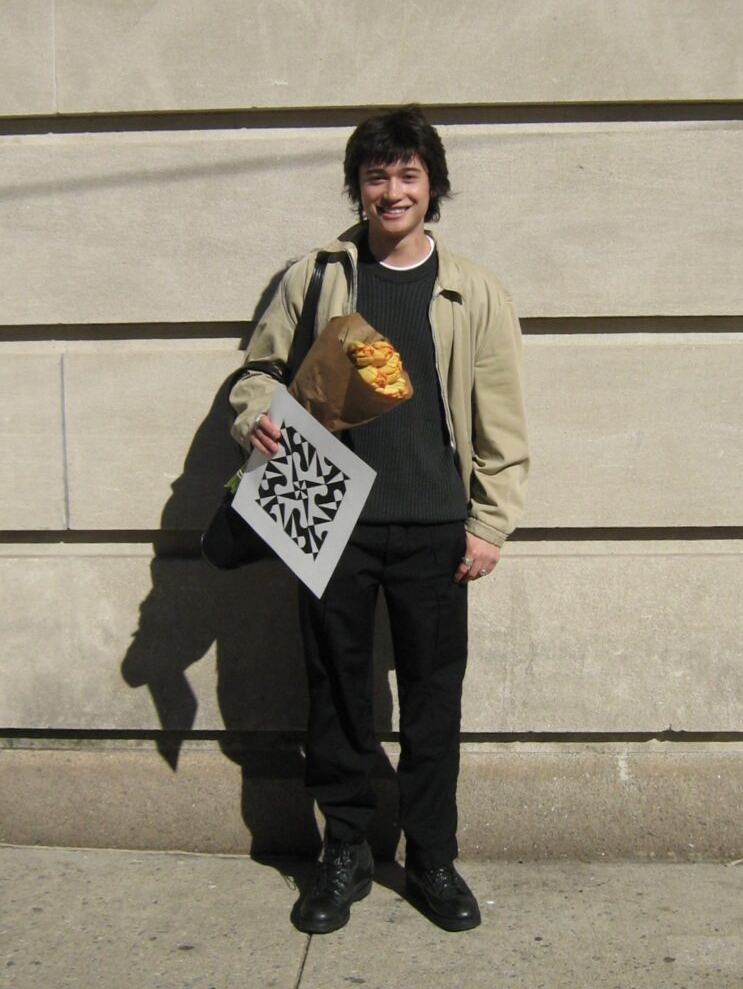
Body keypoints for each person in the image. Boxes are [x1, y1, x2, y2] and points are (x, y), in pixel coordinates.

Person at [230, 105, 529, 933]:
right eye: (376, 175)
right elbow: (256, 372)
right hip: (329, 520)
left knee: (435, 698)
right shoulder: (320, 276)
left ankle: (432, 856)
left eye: (407, 174)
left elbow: (500, 421)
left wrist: (489, 523)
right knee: (336, 693)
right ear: (357, 187)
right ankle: (346, 850)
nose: (391, 189)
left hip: (436, 526)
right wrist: (252, 415)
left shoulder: (473, 290)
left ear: (431, 187)